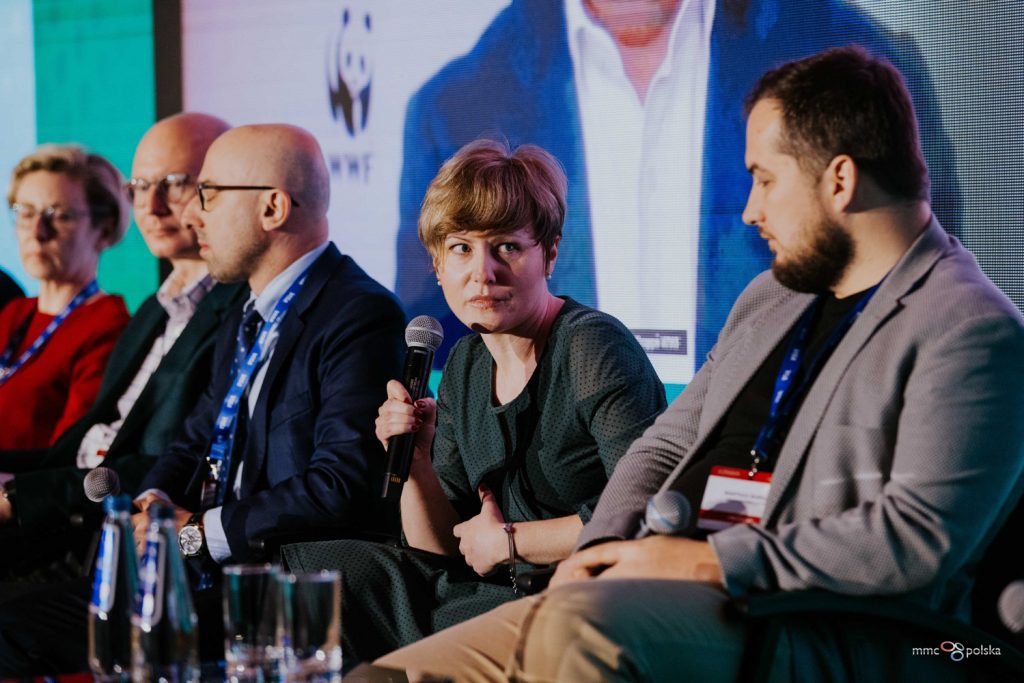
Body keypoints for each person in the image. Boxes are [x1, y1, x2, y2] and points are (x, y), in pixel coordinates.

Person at [370, 46, 1024, 682]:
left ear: (840, 180)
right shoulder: (773, 297)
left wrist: (700, 563)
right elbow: (663, 447)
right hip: (670, 591)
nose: (749, 210)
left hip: (823, 625)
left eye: (765, 179)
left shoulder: (970, 329)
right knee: (392, 673)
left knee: (577, 632)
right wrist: (601, 552)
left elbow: (914, 540)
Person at [0, 123, 406, 676]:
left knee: (14, 628)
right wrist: (154, 504)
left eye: (208, 194)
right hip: (200, 570)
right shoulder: (246, 311)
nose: (193, 214)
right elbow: (193, 441)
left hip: (275, 585)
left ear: (272, 208)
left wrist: (197, 532)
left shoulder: (357, 314)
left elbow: (341, 484)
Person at [395, 0, 959, 386]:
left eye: (764, 182)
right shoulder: (452, 103)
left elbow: (911, 272)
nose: (752, 211)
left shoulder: (855, 56)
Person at [282, 139, 666, 668]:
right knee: (329, 576)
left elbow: (647, 510)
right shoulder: (464, 362)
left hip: (574, 598)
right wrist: (417, 461)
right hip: (487, 594)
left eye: (507, 247)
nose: (483, 273)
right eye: (461, 248)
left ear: (550, 253)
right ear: (437, 265)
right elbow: (439, 549)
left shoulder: (591, 346)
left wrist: (511, 541)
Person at [0, 113, 245, 583]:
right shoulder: (155, 309)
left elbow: (165, 459)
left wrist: (18, 496)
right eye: (141, 187)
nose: (151, 206)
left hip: (116, 534)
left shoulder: (233, 311)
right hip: (75, 516)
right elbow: (83, 446)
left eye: (174, 184)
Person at [1, 145, 132, 450]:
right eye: (26, 213)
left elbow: (67, 457)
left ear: (104, 229)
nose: (37, 232)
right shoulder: (14, 313)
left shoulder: (108, 326)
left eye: (58, 215)